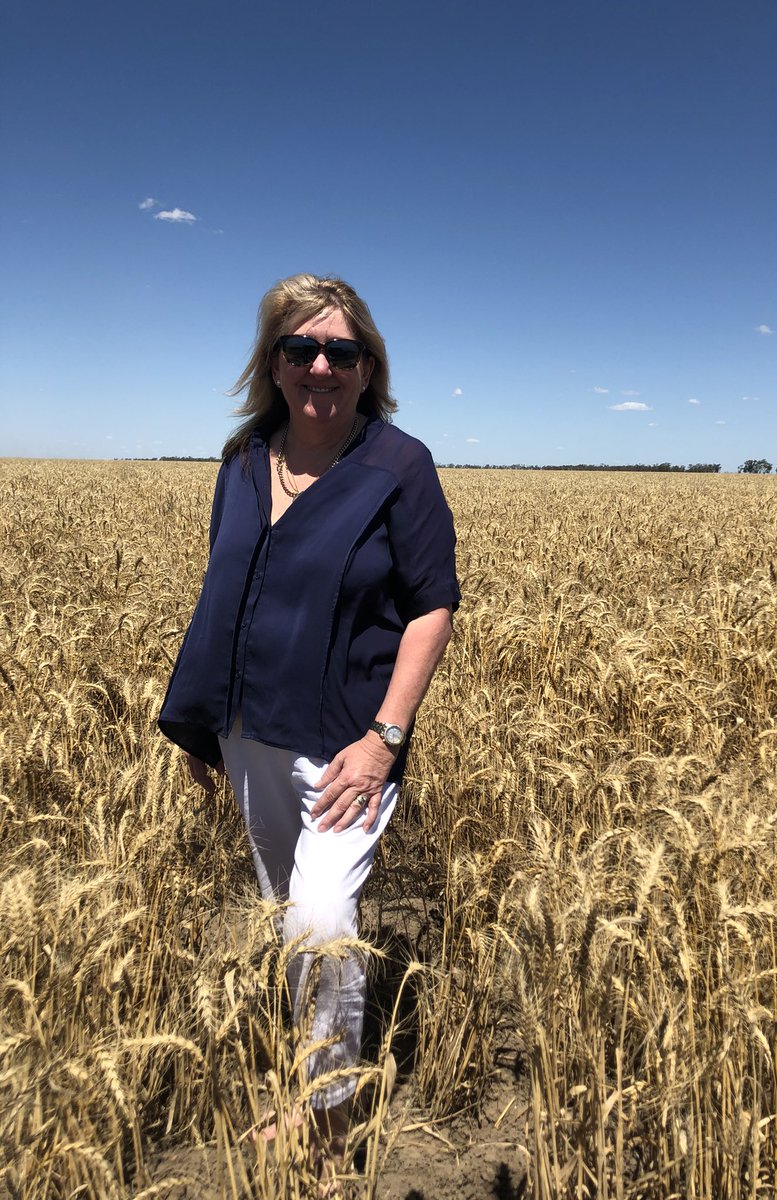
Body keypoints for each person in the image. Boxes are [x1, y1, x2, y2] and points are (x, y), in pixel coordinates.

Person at [158, 273, 459, 1187]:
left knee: (325, 920)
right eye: (301, 349)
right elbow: (227, 593)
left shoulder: (397, 464)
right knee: (294, 924)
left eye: (341, 351)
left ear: (369, 367)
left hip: (343, 745)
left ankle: (328, 1127)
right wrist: (206, 722)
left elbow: (432, 605)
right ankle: (313, 1078)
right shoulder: (245, 459)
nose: (321, 365)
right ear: (274, 363)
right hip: (250, 733)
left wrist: (385, 739)